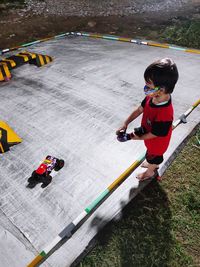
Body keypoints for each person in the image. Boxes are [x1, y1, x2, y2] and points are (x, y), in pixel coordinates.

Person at [116, 58, 179, 181]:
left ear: (161, 90)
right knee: (150, 154)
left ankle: (150, 171)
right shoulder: (152, 98)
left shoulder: (165, 113)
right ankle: (151, 164)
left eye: (148, 84)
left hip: (157, 144)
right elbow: (140, 109)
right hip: (149, 137)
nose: (145, 87)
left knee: (153, 156)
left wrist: (132, 137)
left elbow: (154, 134)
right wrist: (126, 123)